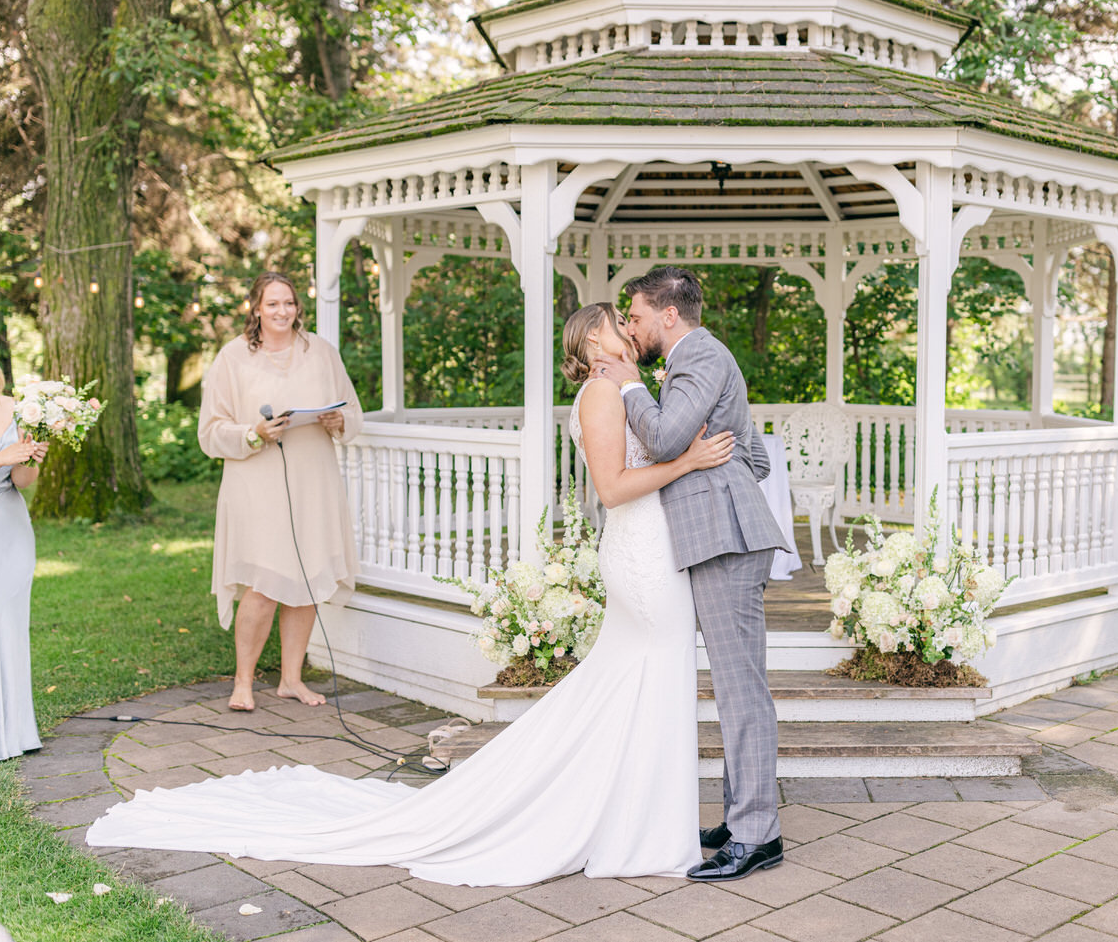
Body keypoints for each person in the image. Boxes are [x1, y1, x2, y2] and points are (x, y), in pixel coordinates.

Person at [87, 303, 736, 886]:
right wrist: (689, 462)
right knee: (648, 672)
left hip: (656, 549)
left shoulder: (626, 386)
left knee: (642, 679)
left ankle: (638, 820)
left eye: (632, 320)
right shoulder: (603, 393)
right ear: (594, 341)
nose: (630, 328)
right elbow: (615, 486)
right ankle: (634, 826)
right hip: (642, 556)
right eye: (616, 323)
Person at [595, 265, 789, 882]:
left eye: (636, 315)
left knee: (740, 688)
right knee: (736, 684)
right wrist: (716, 472)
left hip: (727, 543)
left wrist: (630, 386)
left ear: (668, 314)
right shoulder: (698, 359)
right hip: (722, 533)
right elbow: (753, 455)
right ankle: (741, 819)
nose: (631, 326)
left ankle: (758, 834)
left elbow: (663, 438)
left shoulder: (697, 356)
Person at [198, 272, 364, 711]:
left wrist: (338, 422)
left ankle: (291, 679)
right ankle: (243, 683)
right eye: (272, 304)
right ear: (255, 308)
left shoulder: (321, 352)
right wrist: (253, 434)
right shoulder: (232, 358)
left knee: (307, 578)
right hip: (256, 482)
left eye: (288, 303)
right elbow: (210, 431)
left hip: (314, 478)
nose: (282, 312)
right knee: (264, 581)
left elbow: (352, 410)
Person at [0, 326, 48, 765]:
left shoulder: (20, 409)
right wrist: (0, 456)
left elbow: (20, 481)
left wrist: (32, 459)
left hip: (10, 527)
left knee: (7, 626)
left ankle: (13, 731)